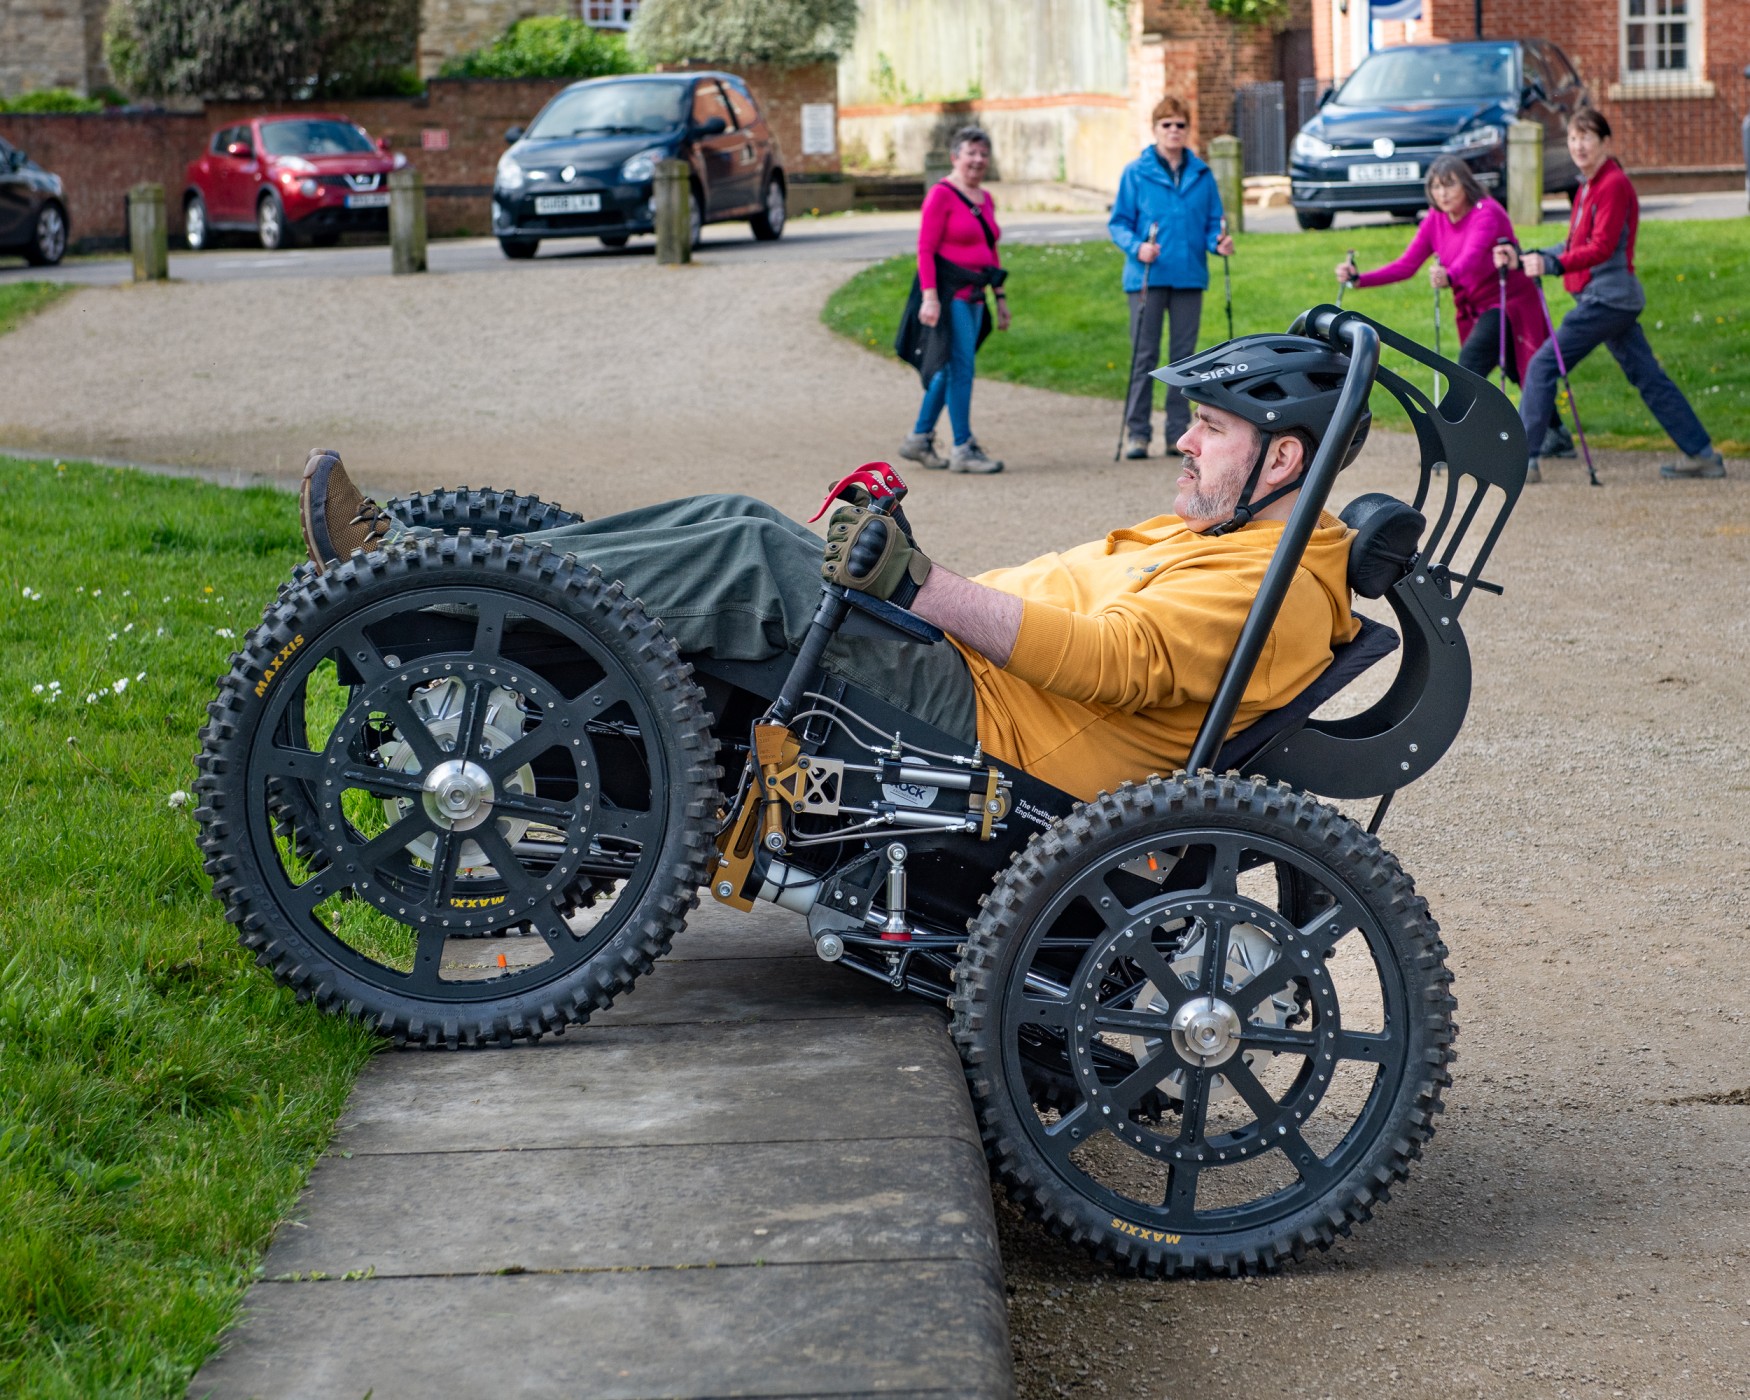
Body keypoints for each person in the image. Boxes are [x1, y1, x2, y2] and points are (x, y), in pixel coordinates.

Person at [300, 337, 1361, 802]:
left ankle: (434, 589)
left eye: (1210, 428)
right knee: (736, 521)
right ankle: (463, 579)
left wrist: (917, 585)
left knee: (750, 556)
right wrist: (902, 582)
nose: (1182, 441)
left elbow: (1114, 658)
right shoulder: (1242, 538)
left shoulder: (1270, 587)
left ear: (1283, 461)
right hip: (970, 674)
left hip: (994, 727)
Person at [1493, 108, 1726, 482]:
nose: (1578, 145)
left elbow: (1601, 248)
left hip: (1607, 300)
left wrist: (1551, 266)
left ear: (1605, 142)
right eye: (1572, 138)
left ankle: (1525, 461)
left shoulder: (1612, 184)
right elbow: (1572, 244)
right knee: (1649, 377)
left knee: (1542, 365)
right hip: (1608, 300)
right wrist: (1526, 258)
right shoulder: (1587, 186)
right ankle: (1701, 454)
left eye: (1586, 137)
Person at [1335, 154, 1574, 459]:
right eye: (1436, 186)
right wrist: (1359, 279)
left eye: (1450, 185)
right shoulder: (1436, 219)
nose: (1443, 193)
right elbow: (1407, 265)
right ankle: (1557, 432)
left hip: (1509, 302)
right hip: (1477, 305)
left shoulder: (1487, 212)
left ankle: (1447, 442)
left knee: (1469, 365)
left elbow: (1472, 257)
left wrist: (1449, 275)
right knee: (1517, 369)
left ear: (1467, 185)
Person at [1108, 96, 1234, 460]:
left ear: (1187, 130)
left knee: (1184, 361)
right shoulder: (1136, 172)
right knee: (1143, 355)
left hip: (1189, 276)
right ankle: (1137, 433)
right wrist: (1137, 247)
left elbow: (1213, 223)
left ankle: (1177, 433)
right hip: (1147, 276)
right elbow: (1118, 223)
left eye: (1180, 125)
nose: (1174, 131)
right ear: (1155, 129)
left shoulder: (1201, 174)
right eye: (1167, 125)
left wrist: (1219, 242)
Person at [896, 126, 1007, 476]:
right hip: (949, 296)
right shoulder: (941, 195)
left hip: (976, 295)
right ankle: (962, 448)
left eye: (983, 154)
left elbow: (991, 251)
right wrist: (929, 298)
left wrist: (1000, 298)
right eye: (970, 153)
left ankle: (918, 438)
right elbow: (925, 249)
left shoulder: (985, 198)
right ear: (955, 157)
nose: (977, 160)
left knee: (951, 369)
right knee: (962, 370)